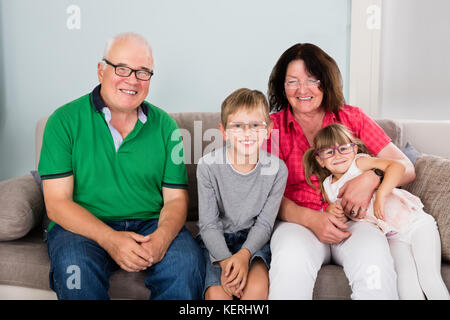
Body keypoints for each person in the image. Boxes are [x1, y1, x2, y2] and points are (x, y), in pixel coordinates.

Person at [38, 32, 205, 300]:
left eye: (143, 72)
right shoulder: (63, 121)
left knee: (186, 264)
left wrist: (162, 238)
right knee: (75, 269)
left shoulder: (166, 127)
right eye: (122, 69)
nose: (132, 80)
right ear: (101, 70)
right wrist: (111, 240)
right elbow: (57, 203)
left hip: (150, 224)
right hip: (83, 227)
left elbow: (175, 200)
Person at [265, 43, 417, 299]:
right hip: (299, 223)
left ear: (326, 82)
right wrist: (310, 219)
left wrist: (372, 178)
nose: (303, 90)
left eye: (312, 80)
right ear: (283, 86)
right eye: (292, 82)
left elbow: (407, 168)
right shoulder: (271, 128)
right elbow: (265, 195)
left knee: (375, 266)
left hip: (357, 222)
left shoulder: (352, 118)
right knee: (289, 265)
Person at [303, 123, 450, 300]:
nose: (338, 155)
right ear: (320, 160)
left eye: (343, 148)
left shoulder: (360, 163)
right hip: (392, 236)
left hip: (416, 224)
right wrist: (333, 212)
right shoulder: (328, 188)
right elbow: (339, 213)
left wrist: (381, 193)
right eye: (329, 152)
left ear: (354, 149)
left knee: (429, 277)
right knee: (405, 281)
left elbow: (398, 166)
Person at [196, 88, 288, 300]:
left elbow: (265, 224)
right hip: (216, 240)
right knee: (218, 296)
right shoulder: (208, 166)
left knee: (255, 292)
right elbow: (209, 225)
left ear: (268, 130)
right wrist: (227, 262)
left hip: (253, 241)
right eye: (237, 126)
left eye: (255, 125)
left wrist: (244, 256)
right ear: (224, 131)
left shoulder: (277, 170)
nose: (247, 133)